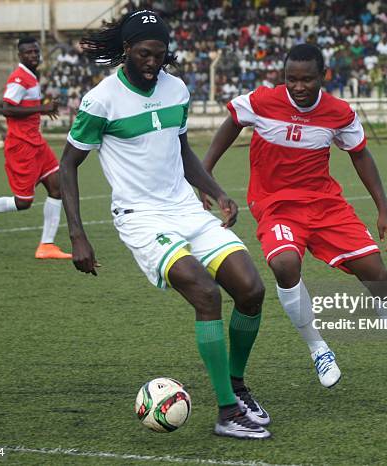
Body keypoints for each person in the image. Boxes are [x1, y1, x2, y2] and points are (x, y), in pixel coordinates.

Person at [60, 10, 270, 439]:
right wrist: (78, 234)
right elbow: (68, 165)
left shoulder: (176, 89)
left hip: (186, 211)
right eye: (144, 54)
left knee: (251, 290)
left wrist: (216, 192)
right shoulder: (101, 100)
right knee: (206, 294)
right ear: (127, 51)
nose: (153, 63)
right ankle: (227, 413)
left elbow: (182, 150)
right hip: (140, 217)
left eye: (160, 54)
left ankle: (236, 384)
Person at [201, 43, 387, 388]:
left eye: (307, 79)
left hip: (325, 205)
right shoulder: (262, 101)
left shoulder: (339, 112)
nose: (298, 87)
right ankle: (319, 349)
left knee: (376, 272)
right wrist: (205, 173)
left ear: (323, 76)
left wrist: (384, 209)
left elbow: (361, 155)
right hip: (276, 205)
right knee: (284, 264)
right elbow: (233, 121)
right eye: (291, 79)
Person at [0, 37, 72, 260]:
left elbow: (23, 107)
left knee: (57, 187)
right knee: (23, 203)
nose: (33, 56)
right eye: (28, 53)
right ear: (20, 55)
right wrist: (42, 108)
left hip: (36, 142)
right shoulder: (19, 78)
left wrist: (41, 108)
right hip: (21, 146)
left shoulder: (31, 76)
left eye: (36, 52)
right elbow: (6, 108)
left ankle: (46, 245)